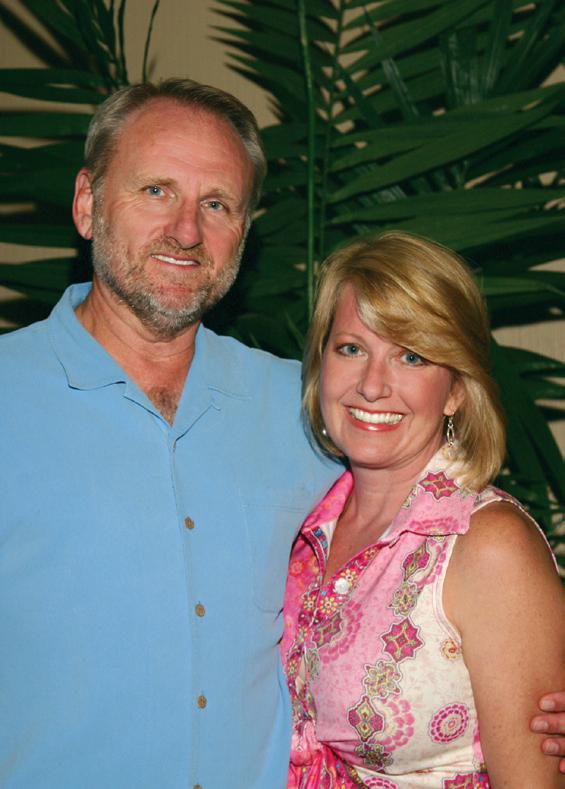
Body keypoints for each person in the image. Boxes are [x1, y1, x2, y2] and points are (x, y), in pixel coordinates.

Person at [0, 80, 563, 787]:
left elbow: (475, 571)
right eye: (156, 191)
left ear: (244, 229)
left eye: (217, 204)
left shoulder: (312, 408)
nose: (186, 230)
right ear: (87, 203)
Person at [281, 231, 565, 787]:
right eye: (351, 349)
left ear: (456, 389)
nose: (372, 385)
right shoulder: (301, 525)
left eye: (411, 356)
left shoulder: (489, 546)